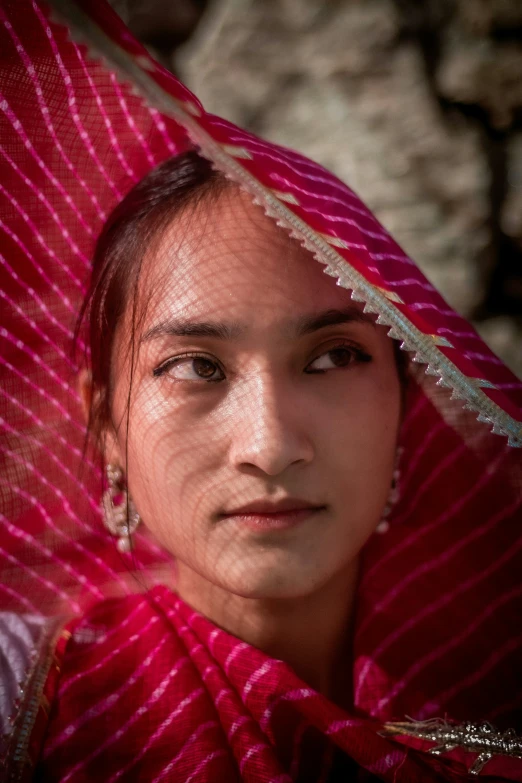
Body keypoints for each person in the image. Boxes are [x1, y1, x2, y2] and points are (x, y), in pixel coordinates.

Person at [0, 0, 521, 781]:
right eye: (196, 367)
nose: (271, 444)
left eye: (334, 357)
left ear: (409, 404)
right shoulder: (20, 694)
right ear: (106, 422)